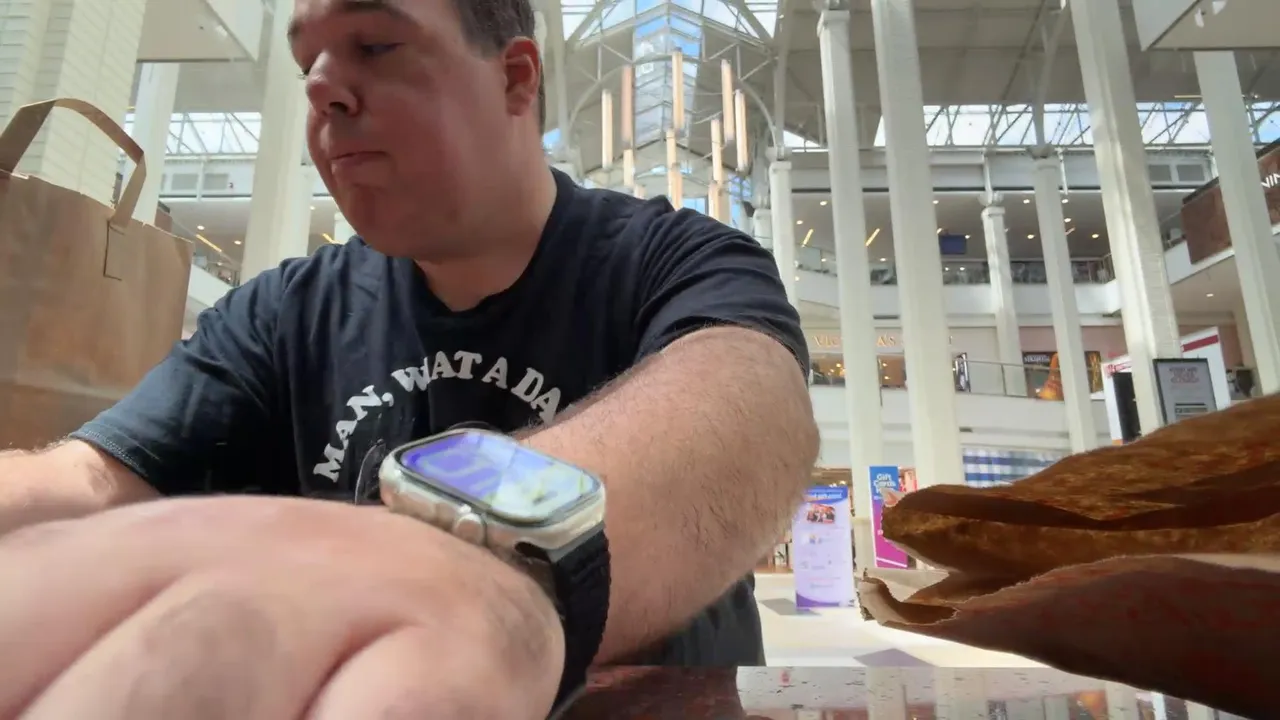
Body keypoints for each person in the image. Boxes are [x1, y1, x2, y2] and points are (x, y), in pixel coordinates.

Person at [0, 0, 819, 715]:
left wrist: (470, 560)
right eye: (307, 64)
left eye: (376, 44)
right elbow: (92, 479)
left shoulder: (677, 258)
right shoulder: (284, 311)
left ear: (515, 79)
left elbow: (747, 410)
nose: (322, 87)